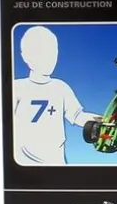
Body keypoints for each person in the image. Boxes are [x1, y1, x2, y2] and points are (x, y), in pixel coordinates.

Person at [13, 26, 102, 165]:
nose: (48, 58)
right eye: (41, 52)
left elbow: (78, 116)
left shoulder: (60, 87)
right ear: (25, 56)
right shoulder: (17, 88)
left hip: (55, 161)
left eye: (52, 51)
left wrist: (104, 120)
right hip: (24, 162)